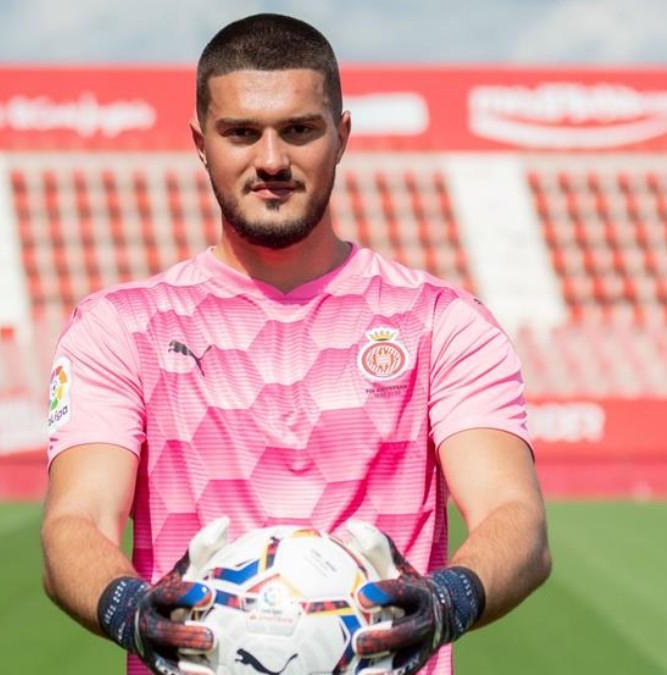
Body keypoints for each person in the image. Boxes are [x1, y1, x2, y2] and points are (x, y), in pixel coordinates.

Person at [41, 13, 550, 675]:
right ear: (201, 142)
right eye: (242, 133)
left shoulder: (441, 321)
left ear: (341, 136)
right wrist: (128, 606)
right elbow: (75, 522)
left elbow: (516, 518)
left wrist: (449, 597)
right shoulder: (120, 326)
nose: (272, 159)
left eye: (300, 130)